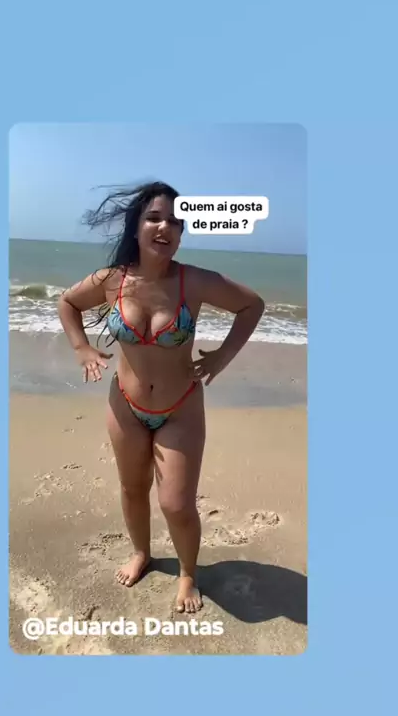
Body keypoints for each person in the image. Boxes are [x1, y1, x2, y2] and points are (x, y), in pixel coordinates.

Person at [58, 182, 264, 613]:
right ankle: (141, 553)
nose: (164, 227)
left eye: (174, 221)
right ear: (136, 227)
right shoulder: (112, 280)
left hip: (179, 409)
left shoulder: (195, 281)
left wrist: (223, 356)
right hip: (126, 406)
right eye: (154, 217)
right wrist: (81, 348)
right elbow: (68, 302)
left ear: (182, 232)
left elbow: (252, 305)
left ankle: (188, 573)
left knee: (176, 503)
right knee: (133, 488)